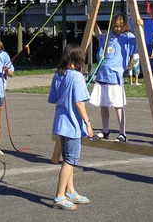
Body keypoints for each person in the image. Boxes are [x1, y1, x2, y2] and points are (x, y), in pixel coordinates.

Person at [49, 43, 94, 210]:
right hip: (72, 125)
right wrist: (88, 124)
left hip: (61, 123)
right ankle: (59, 196)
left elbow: (53, 98)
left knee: (69, 157)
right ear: (77, 59)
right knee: (70, 160)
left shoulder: (58, 74)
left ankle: (70, 191)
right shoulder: (76, 77)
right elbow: (79, 102)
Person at [90, 13, 138, 143]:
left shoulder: (128, 37)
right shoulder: (108, 37)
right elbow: (99, 36)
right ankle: (105, 131)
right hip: (102, 76)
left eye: (120, 26)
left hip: (115, 78)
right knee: (103, 105)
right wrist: (93, 23)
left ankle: (122, 133)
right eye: (115, 26)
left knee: (118, 105)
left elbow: (138, 41)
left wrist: (140, 26)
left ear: (125, 26)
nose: (117, 28)